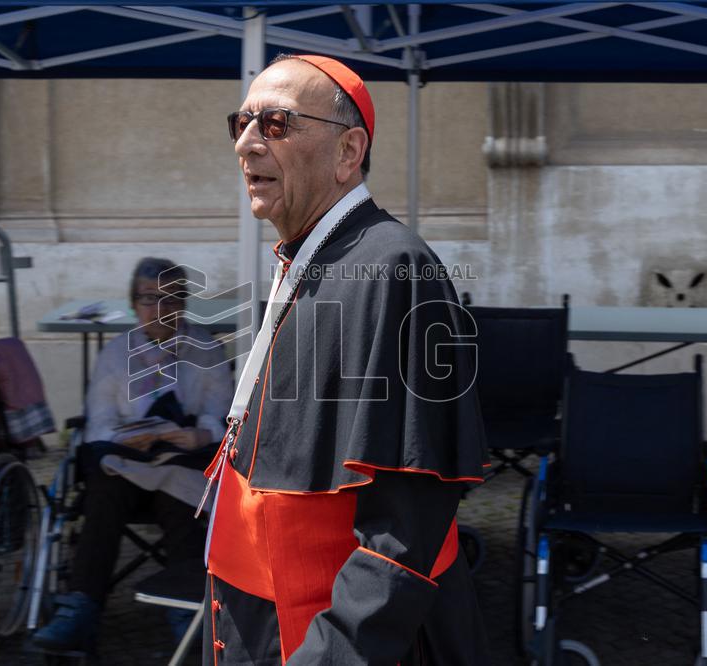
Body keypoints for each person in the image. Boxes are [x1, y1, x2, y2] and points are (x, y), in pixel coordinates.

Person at [203, 55, 491, 664]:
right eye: (242, 123)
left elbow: (409, 519)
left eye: (276, 123)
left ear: (347, 151)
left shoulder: (395, 269)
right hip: (256, 617)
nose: (247, 145)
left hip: (330, 635)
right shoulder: (304, 258)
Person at [33, 257, 233, 652]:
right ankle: (81, 607)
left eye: (171, 298)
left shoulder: (207, 350)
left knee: (184, 500)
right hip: (127, 468)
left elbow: (223, 414)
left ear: (184, 303)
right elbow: (99, 424)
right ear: (133, 304)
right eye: (148, 298)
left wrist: (198, 433)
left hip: (182, 465)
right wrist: (131, 436)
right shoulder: (115, 354)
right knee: (102, 493)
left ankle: (187, 615)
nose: (160, 309)